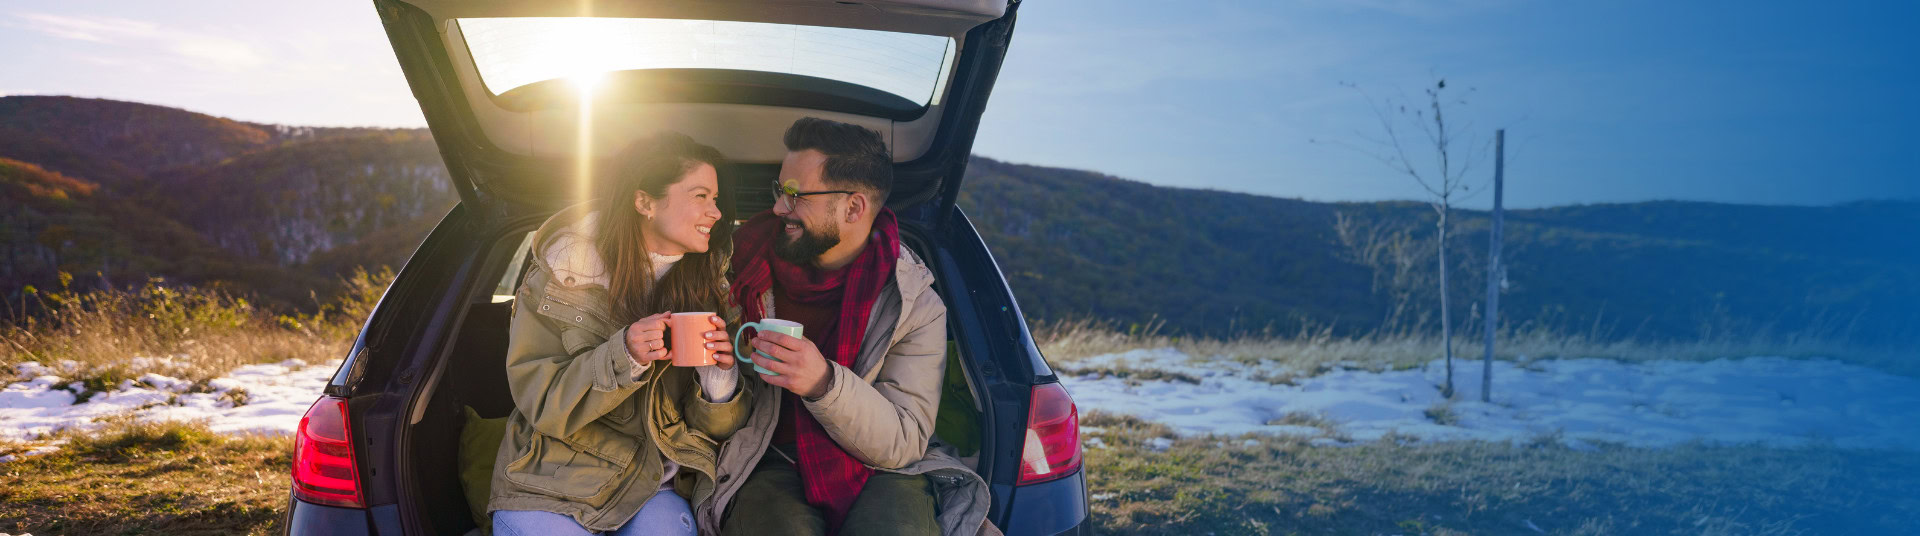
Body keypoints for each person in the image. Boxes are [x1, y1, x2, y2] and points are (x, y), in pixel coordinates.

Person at [702, 118, 995, 536]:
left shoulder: (915, 303)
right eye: (779, 191)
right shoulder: (734, 273)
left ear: (854, 208)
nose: (778, 208)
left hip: (885, 469)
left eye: (794, 195)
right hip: (766, 458)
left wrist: (823, 383)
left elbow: (904, 440)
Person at [488, 133, 751, 536]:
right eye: (701, 196)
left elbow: (717, 435)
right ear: (645, 202)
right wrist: (623, 355)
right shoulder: (560, 279)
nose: (716, 213)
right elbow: (540, 402)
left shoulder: (712, 290)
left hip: (652, 484)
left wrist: (718, 381)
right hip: (551, 483)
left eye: (716, 200)